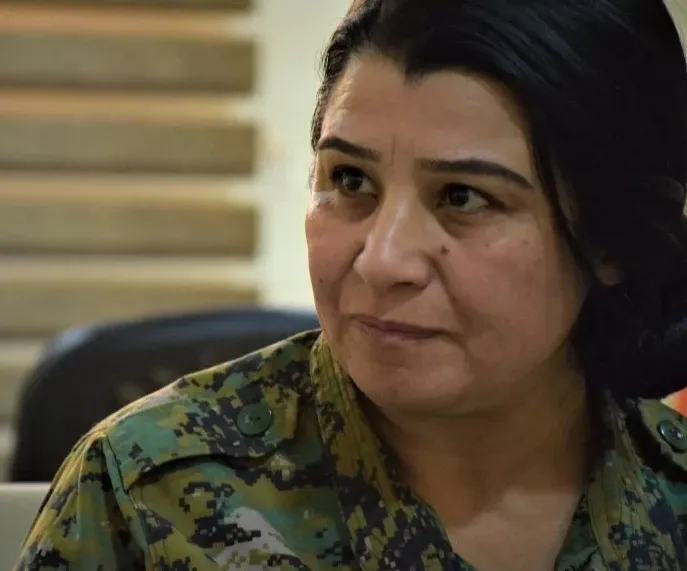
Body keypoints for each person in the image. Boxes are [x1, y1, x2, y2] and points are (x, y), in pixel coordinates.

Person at [13, 0, 687, 569]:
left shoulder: (671, 498)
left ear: (613, 241)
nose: (381, 261)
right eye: (350, 180)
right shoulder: (145, 495)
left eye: (462, 196)